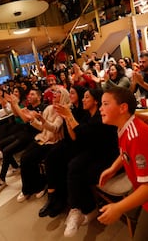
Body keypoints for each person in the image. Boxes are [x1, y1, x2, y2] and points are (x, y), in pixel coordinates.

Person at [98, 87, 148, 241]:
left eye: (106, 104)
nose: (101, 108)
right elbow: (126, 153)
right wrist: (113, 168)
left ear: (123, 108)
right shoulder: (126, 125)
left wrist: (117, 208)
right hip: (143, 187)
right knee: (130, 211)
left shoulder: (137, 136)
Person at [59, 88, 119, 237]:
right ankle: (80, 209)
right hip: (94, 152)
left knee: (79, 173)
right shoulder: (88, 115)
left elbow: (82, 132)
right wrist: (67, 118)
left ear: (96, 101)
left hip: (108, 156)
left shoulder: (100, 117)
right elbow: (76, 137)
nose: (83, 99)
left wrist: (69, 116)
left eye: (87, 97)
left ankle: (85, 209)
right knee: (72, 165)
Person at [37, 85, 87, 218]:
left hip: (77, 144)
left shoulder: (81, 110)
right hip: (66, 142)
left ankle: (61, 200)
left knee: (62, 163)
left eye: (72, 93)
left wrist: (67, 116)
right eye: (69, 93)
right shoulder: (68, 108)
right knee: (50, 158)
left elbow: (76, 136)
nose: (70, 95)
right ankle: (52, 197)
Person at [16, 86, 70, 203]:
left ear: (64, 96)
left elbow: (55, 128)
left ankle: (37, 186)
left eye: (58, 92)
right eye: (54, 92)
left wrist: (42, 120)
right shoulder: (49, 108)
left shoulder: (63, 110)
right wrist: (32, 120)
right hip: (42, 138)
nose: (55, 93)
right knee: (24, 158)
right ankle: (30, 188)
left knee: (30, 158)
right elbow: (41, 127)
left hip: (53, 142)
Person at [0, 88, 47, 193]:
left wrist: (14, 104)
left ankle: (2, 179)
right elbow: (16, 115)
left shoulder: (42, 108)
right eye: (29, 94)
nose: (30, 96)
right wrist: (12, 103)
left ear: (39, 97)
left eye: (33, 94)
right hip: (23, 133)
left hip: (32, 136)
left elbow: (25, 119)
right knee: (2, 144)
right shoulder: (29, 107)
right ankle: (13, 168)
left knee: (6, 151)